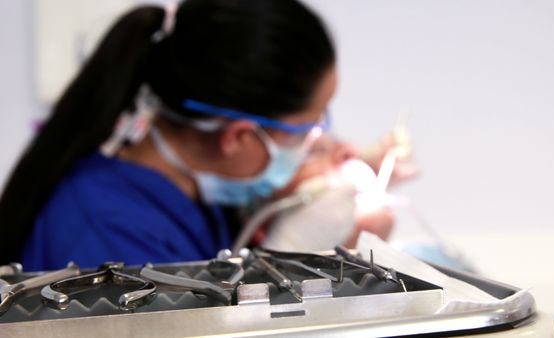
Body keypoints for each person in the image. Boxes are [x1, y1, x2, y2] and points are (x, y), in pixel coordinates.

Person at [0, 0, 338, 270]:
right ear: (237, 137)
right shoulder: (108, 235)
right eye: (304, 132)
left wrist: (294, 195)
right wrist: (295, 251)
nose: (316, 142)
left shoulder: (192, 193)